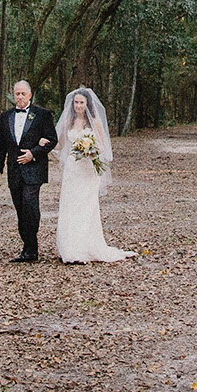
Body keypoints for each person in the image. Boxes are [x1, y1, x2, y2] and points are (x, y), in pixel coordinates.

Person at [52, 87, 135, 264]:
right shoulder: (68, 121)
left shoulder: (95, 122)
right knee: (70, 206)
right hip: (73, 170)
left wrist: (89, 150)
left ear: (87, 104)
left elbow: (102, 148)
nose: (78, 106)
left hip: (88, 171)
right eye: (76, 102)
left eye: (81, 102)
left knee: (86, 207)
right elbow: (60, 144)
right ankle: (70, 248)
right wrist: (46, 145)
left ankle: (85, 247)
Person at [0, 80, 57, 263]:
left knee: (30, 206)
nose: (19, 97)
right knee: (20, 208)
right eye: (17, 94)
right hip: (14, 170)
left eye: (23, 94)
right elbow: (1, 146)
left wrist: (33, 153)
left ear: (30, 95)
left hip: (34, 170)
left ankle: (31, 248)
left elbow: (52, 139)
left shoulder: (42, 115)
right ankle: (28, 247)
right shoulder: (6, 116)